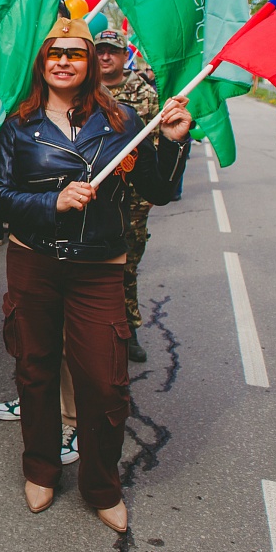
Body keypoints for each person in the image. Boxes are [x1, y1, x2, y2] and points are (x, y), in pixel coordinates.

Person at [0, 13, 192, 533]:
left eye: (74, 54)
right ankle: (40, 467)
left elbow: (160, 190)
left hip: (100, 267)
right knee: (34, 370)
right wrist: (52, 202)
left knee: (105, 385)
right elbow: (0, 197)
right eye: (54, 54)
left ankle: (102, 485)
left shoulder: (123, 120)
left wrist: (170, 141)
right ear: (42, 62)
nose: (63, 62)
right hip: (34, 262)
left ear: (89, 63)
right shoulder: (17, 122)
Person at [96, 29, 156, 365]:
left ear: (123, 56)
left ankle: (129, 328)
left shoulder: (142, 94)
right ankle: (100, 326)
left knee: (127, 263)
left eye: (112, 52)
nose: (105, 57)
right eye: (100, 51)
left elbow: (152, 151)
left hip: (131, 197)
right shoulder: (84, 91)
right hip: (96, 194)